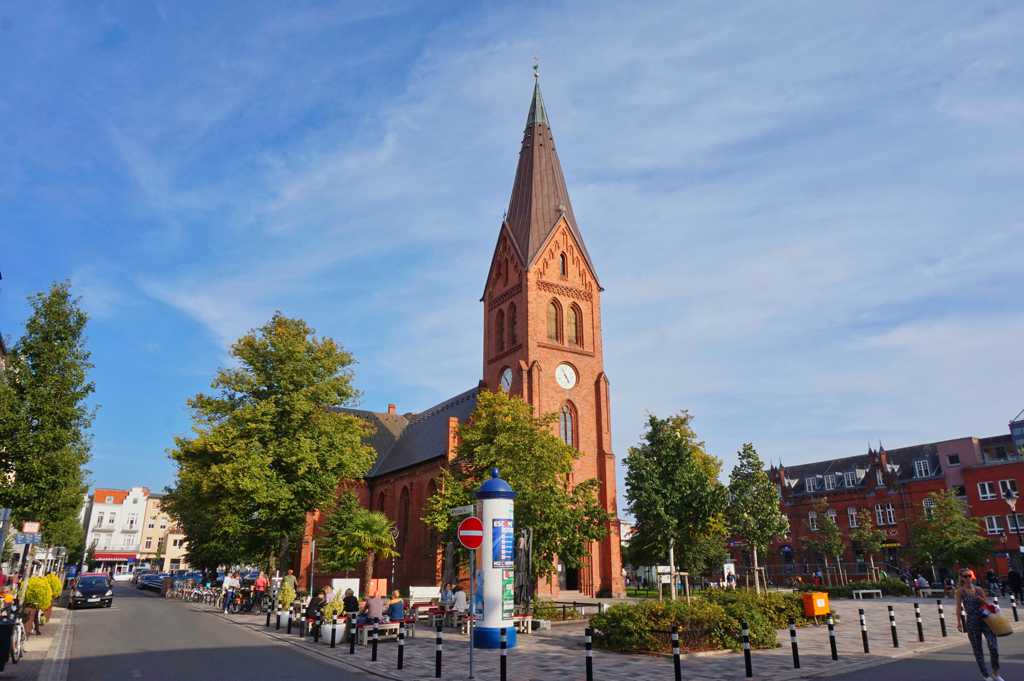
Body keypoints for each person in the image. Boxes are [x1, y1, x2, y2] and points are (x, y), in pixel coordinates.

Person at [956, 569, 1005, 681]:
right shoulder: (960, 591)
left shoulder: (978, 589)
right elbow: (958, 607)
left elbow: (987, 604)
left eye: (970, 576)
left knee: (993, 646)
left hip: (985, 620)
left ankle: (995, 673)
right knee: (978, 650)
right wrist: (958, 622)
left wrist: (981, 599)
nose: (968, 578)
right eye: (966, 576)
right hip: (972, 621)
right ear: (962, 578)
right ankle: (986, 675)